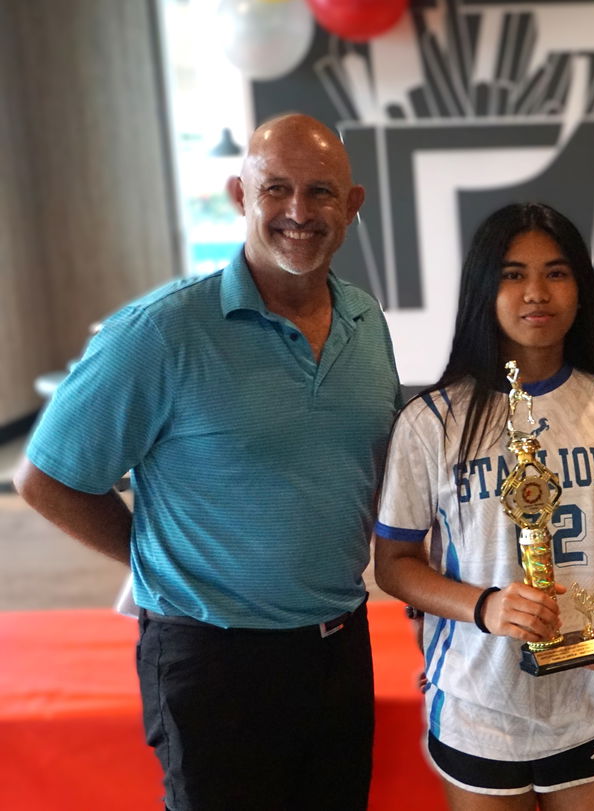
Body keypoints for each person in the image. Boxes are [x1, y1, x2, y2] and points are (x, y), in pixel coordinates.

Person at [13, 113, 399, 809]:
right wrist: (150, 555)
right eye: (276, 188)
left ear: (354, 205)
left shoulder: (367, 322)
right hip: (212, 659)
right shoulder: (161, 332)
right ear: (239, 194)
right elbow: (45, 479)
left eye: (321, 193)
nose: (298, 212)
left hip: (339, 644)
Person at [372, 202, 594, 810]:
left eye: (556, 271)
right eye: (512, 273)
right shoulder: (431, 422)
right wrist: (485, 606)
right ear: (482, 289)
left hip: (591, 700)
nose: (536, 292)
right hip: (480, 704)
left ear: (581, 288)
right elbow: (393, 562)